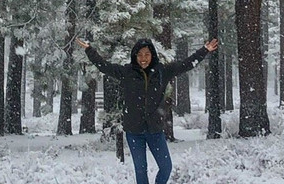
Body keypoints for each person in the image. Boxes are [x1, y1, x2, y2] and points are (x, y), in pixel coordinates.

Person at [76, 35, 219, 184]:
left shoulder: (162, 72)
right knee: (141, 170)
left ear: (152, 55)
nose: (143, 58)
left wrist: (204, 50)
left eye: (147, 54)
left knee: (166, 167)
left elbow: (186, 64)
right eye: (140, 55)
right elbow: (103, 65)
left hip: (155, 130)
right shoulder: (127, 72)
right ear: (135, 56)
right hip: (134, 131)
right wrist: (89, 50)